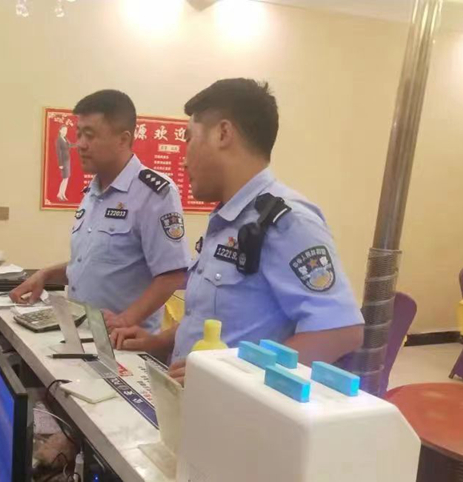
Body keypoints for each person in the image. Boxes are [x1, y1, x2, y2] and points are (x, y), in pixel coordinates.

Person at [111, 79, 364, 383]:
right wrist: (157, 342)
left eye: (189, 139)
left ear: (223, 134)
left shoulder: (287, 221)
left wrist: (236, 377)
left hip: (234, 407)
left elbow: (340, 331)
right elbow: (213, 320)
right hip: (190, 397)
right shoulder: (228, 219)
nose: (184, 159)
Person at [11, 90, 190, 333]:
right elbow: (93, 265)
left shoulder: (154, 193)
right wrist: (46, 274)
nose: (80, 144)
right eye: (78, 134)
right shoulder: (93, 191)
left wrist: (126, 319)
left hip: (123, 343)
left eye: (90, 135)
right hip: (81, 335)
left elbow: (172, 274)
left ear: (123, 139)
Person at [56, 125, 73, 201]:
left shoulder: (65, 139)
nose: (65, 132)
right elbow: (58, 153)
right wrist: (60, 164)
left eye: (66, 131)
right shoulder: (59, 140)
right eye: (63, 130)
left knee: (67, 178)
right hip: (63, 161)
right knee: (65, 178)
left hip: (67, 160)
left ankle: (62, 193)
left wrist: (78, 144)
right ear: (60, 130)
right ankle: (60, 194)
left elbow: (70, 145)